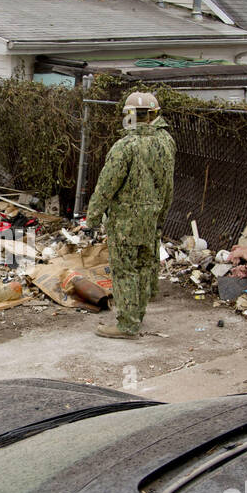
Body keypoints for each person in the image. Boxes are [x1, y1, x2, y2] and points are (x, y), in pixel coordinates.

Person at [84, 91, 175, 339]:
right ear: (154, 115)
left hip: (125, 221)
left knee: (125, 271)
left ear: (130, 116)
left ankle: (127, 324)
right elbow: (168, 185)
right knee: (145, 266)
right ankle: (138, 314)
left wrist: (91, 219)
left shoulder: (125, 146)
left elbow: (106, 186)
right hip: (152, 217)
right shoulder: (166, 142)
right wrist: (161, 216)